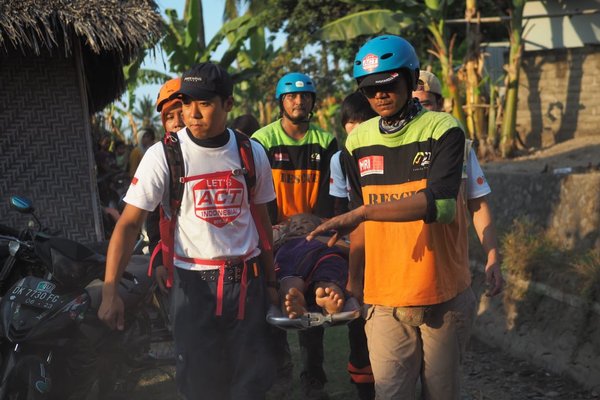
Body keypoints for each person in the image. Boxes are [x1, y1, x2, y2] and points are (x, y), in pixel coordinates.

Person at [306, 34, 474, 400]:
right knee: (391, 393)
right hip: (383, 295)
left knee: (440, 393)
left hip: (440, 290)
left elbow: (440, 205)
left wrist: (364, 210)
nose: (379, 96)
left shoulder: (443, 129)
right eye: (369, 90)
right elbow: (360, 223)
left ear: (411, 80)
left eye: (389, 85)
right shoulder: (357, 141)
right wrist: (353, 285)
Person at [98, 62, 278, 400]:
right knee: (200, 386)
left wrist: (271, 281)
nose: (193, 114)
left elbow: (262, 222)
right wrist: (110, 293)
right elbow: (129, 224)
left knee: (250, 385)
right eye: (187, 103)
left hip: (247, 284)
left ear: (228, 104)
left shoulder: (251, 153)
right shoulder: (164, 155)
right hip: (194, 286)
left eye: (205, 103)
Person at [252, 72, 338, 399]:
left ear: (313, 101)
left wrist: (314, 225)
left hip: (311, 234)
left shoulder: (326, 141)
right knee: (274, 307)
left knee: (311, 313)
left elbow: (331, 194)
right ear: (281, 102)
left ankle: (313, 377)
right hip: (272, 236)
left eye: (305, 97)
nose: (299, 102)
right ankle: (280, 374)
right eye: (291, 97)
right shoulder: (262, 140)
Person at [413, 70, 504, 297]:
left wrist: (492, 255)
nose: (421, 112)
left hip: (451, 273)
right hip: (403, 271)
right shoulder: (394, 147)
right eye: (414, 105)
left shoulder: (460, 149)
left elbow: (478, 204)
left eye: (426, 104)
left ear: (441, 104)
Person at [329, 92, 377, 400]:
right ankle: (363, 385)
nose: (354, 130)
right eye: (349, 124)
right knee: (357, 319)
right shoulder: (340, 159)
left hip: (390, 247)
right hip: (358, 249)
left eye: (360, 122)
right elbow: (339, 211)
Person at [273, 213, 347, 319]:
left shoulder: (329, 238)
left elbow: (348, 248)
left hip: (322, 253)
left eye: (305, 222)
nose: (299, 225)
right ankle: (294, 300)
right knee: (289, 280)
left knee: (330, 267)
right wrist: (280, 242)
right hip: (291, 255)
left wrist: (324, 239)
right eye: (294, 225)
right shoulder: (283, 241)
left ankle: (327, 291)